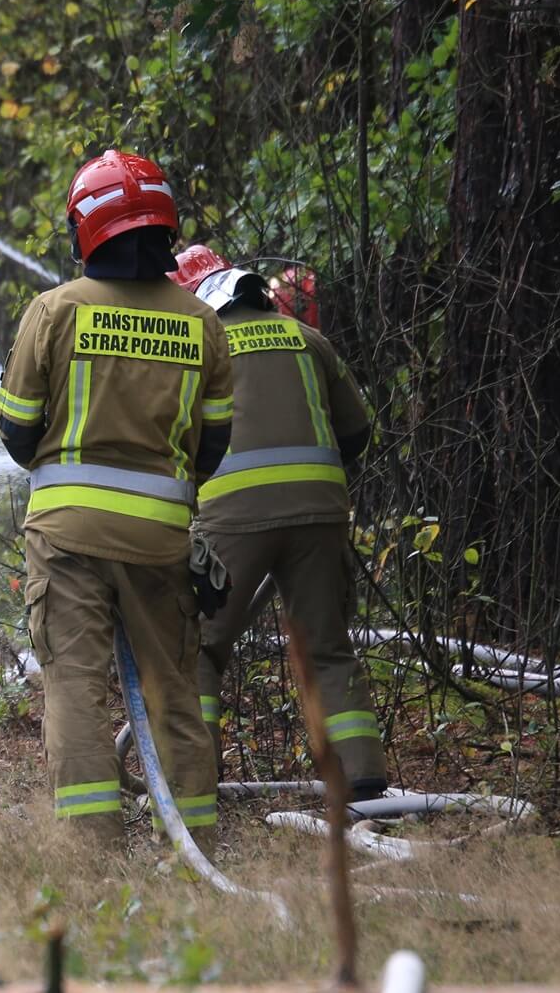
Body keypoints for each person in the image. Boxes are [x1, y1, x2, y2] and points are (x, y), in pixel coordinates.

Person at [0, 149, 232, 848]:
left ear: (87, 228)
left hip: (67, 540)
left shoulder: (56, 311)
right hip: (161, 543)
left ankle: (91, 850)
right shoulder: (202, 323)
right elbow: (212, 447)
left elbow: (17, 429)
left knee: (75, 688)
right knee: (174, 695)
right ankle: (192, 851)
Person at [171, 247, 385, 800]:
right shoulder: (306, 338)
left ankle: (194, 783)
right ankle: (361, 780)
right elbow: (356, 433)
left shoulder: (195, 348)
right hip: (321, 512)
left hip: (231, 518)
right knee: (327, 646)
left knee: (199, 647)